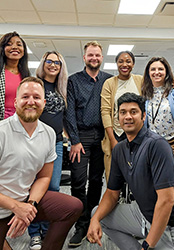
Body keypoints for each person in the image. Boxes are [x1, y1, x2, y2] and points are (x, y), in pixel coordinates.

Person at [0, 77, 83, 250]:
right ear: (16, 101)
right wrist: (16, 206)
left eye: (36, 97)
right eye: (25, 97)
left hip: (23, 199)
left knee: (72, 206)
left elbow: (44, 177)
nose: (31, 102)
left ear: (44, 102)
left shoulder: (48, 133)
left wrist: (30, 205)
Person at [87, 92, 174, 250]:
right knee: (99, 213)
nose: (128, 117)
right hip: (146, 216)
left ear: (143, 116)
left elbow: (167, 201)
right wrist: (94, 220)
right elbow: (112, 193)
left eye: (133, 112)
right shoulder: (120, 149)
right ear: (117, 118)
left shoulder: (156, 145)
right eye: (123, 112)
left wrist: (148, 245)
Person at [65, 41, 112, 248]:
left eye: (98, 55)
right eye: (90, 55)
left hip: (102, 136)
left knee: (96, 181)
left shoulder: (109, 80)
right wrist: (74, 141)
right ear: (84, 58)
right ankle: (80, 224)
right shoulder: (73, 81)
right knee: (77, 180)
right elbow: (70, 113)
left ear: (102, 58)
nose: (94, 58)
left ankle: (93, 219)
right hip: (80, 137)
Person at [27, 51, 68, 249]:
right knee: (33, 187)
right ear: (43, 63)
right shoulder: (36, 84)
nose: (53, 65)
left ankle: (47, 228)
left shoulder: (62, 87)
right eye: (49, 61)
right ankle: (34, 232)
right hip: (34, 142)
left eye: (57, 62)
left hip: (57, 144)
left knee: (52, 187)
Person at [101, 50, 143, 181]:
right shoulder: (109, 83)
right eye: (121, 61)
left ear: (133, 64)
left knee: (137, 169)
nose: (125, 64)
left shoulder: (140, 80)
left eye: (128, 61)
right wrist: (113, 140)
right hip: (117, 133)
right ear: (116, 64)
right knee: (115, 172)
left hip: (137, 132)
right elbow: (105, 111)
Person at [142, 57, 174, 175]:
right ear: (148, 72)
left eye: (160, 69)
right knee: (152, 180)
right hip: (152, 143)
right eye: (153, 69)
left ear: (166, 72)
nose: (156, 72)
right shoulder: (146, 93)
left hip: (172, 143)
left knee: (170, 181)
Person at [0, 31, 30, 123]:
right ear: (2, 49)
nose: (14, 47)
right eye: (9, 44)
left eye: (19, 45)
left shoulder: (26, 76)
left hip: (21, 121)